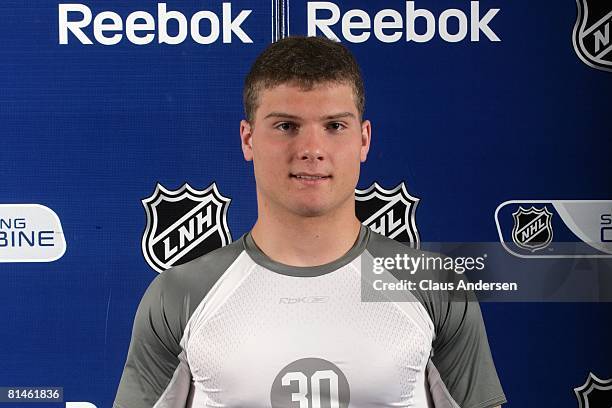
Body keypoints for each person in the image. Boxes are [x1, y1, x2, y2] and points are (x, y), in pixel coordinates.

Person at [114, 36, 506, 408]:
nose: (311, 150)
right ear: (248, 139)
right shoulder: (181, 295)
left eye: (335, 126)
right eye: (286, 126)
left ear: (364, 139)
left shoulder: (432, 287)